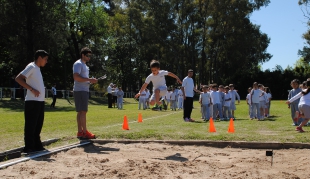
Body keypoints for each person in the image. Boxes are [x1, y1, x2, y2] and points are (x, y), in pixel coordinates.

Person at [15, 50, 49, 154]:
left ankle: (37, 144)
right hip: (32, 101)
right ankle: (29, 147)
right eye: (45, 59)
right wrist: (31, 89)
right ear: (39, 57)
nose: (46, 62)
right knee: (31, 124)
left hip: (39, 101)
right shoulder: (31, 66)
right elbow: (18, 78)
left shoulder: (37, 69)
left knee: (38, 124)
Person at [73, 47, 98, 139]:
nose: (89, 58)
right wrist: (89, 80)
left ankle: (80, 132)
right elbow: (76, 77)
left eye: (90, 56)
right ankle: (84, 131)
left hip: (83, 90)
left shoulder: (85, 66)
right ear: (83, 55)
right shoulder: (78, 64)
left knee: (80, 112)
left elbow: (83, 78)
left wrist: (90, 80)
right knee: (83, 112)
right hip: (80, 90)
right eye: (87, 56)